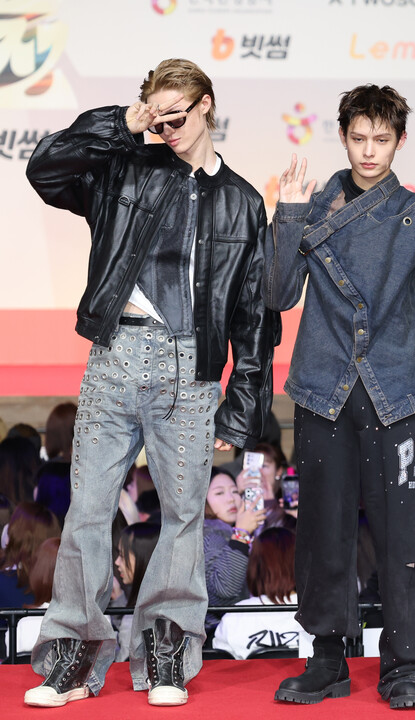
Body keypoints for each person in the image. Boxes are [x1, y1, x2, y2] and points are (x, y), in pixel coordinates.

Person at [23, 57, 277, 708]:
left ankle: (166, 651)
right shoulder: (124, 166)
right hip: (115, 354)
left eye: (177, 115)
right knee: (86, 511)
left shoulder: (242, 200)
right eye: (156, 117)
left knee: (184, 516)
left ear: (207, 106)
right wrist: (120, 125)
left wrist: (242, 409)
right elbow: (45, 168)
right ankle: (73, 655)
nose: (167, 128)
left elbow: (254, 315)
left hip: (189, 367)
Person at [266, 84, 415, 710]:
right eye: (359, 138)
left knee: (408, 536)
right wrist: (288, 215)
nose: (370, 151)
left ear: (400, 140)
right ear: (343, 136)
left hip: (399, 396)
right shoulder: (309, 207)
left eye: (382, 139)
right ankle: (327, 659)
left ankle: (409, 664)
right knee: (321, 533)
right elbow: (278, 295)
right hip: (322, 390)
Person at [213, 527, 310, 659]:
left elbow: (220, 667)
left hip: (248, 673)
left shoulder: (235, 616)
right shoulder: (321, 613)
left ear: (255, 566)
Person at [203, 468, 265, 635]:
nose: (231, 499)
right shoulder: (209, 535)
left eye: (235, 491)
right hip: (220, 636)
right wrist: (241, 534)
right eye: (219, 493)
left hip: (236, 631)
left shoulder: (226, 532)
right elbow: (225, 590)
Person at [113, 522, 162, 662]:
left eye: (122, 556)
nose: (117, 562)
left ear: (143, 557)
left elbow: (125, 660)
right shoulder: (148, 599)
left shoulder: (152, 611)